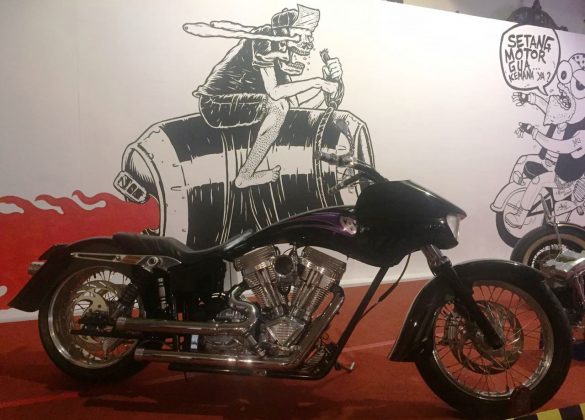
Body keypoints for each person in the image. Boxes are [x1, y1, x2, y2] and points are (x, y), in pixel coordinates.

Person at [192, 5, 342, 188]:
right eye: (302, 34)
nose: (308, 41)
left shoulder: (281, 54)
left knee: (284, 105)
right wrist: (318, 82)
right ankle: (245, 176)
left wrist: (330, 81)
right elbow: (275, 92)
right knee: (278, 107)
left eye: (309, 35)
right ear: (285, 31)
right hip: (215, 104)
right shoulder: (264, 39)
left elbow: (294, 102)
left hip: (237, 102)